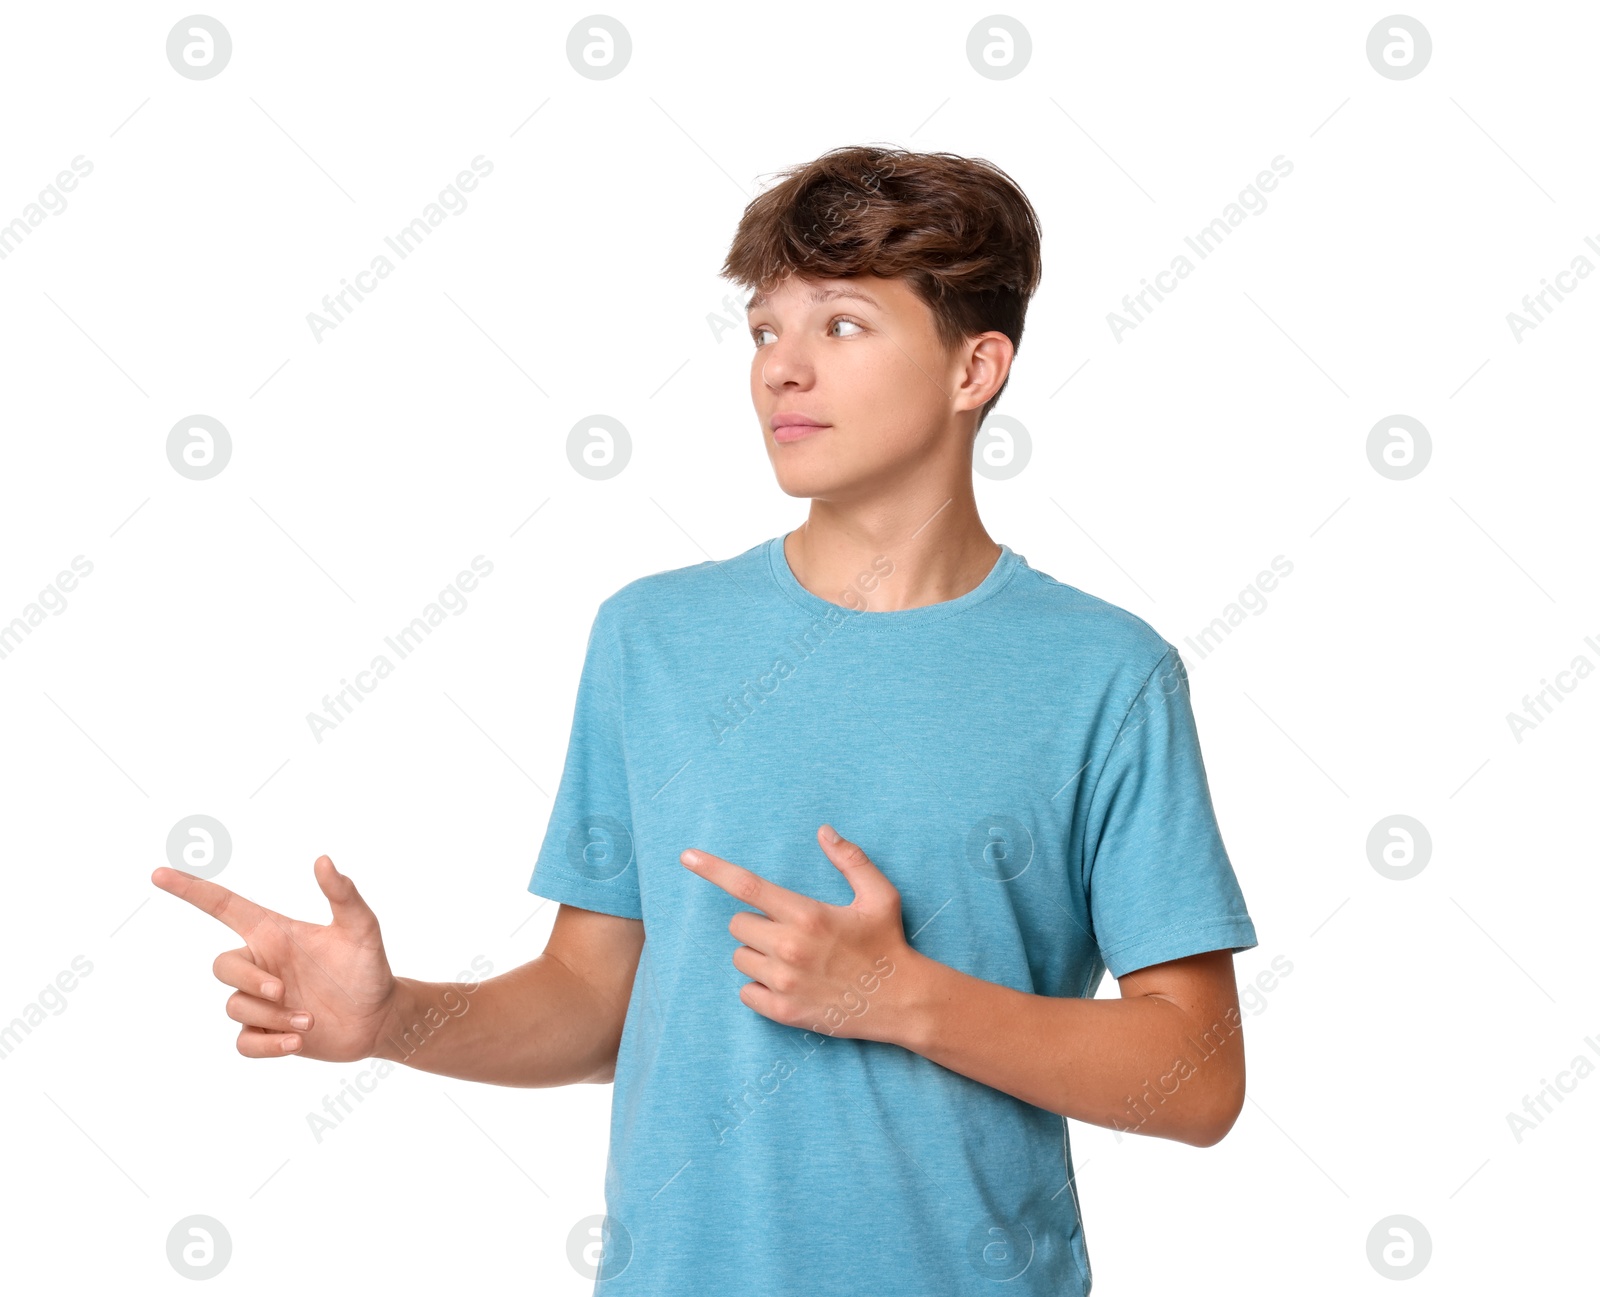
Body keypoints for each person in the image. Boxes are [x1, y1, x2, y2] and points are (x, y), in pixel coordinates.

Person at [154, 144, 1258, 1296]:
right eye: (762, 329)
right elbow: (593, 1002)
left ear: (974, 367)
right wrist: (395, 1019)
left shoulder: (1104, 673)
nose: (781, 370)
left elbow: (1194, 1074)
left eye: (839, 326)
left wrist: (904, 998)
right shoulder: (653, 639)